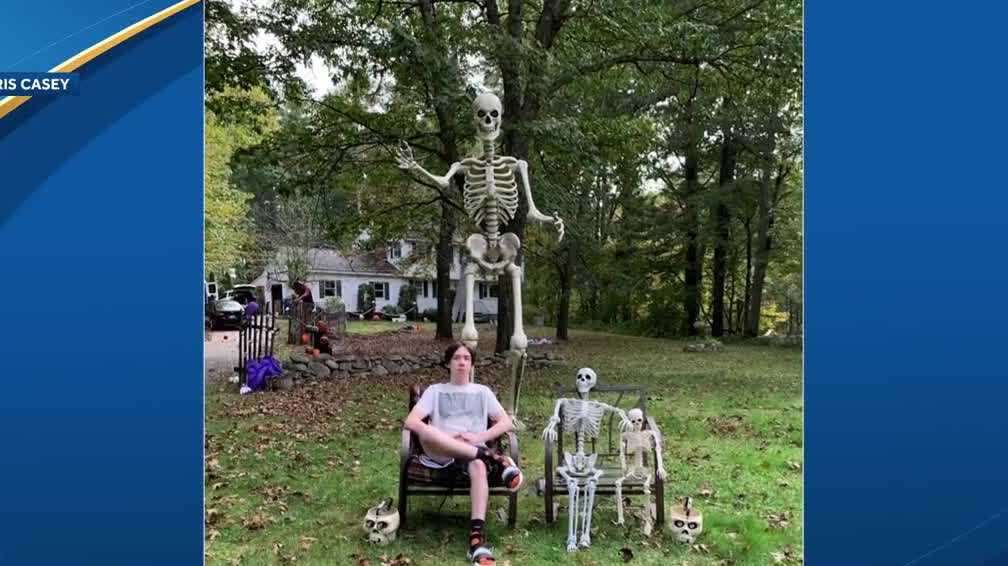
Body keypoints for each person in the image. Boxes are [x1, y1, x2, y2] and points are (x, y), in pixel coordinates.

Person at [404, 343, 523, 565]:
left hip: (472, 453)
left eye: (466, 358)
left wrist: (478, 438)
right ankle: (495, 459)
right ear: (448, 363)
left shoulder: (482, 392)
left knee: (478, 464)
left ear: (472, 364)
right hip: (439, 452)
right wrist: (446, 437)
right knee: (426, 431)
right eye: (457, 358)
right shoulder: (435, 391)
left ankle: (476, 541)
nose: (461, 362)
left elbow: (506, 422)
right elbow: (410, 421)